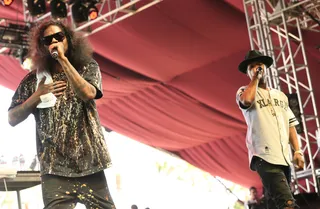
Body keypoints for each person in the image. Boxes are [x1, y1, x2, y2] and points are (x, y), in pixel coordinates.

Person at [8, 20, 116, 209]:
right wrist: (37, 96)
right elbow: (12, 118)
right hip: (54, 169)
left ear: (69, 40)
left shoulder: (87, 67)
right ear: (42, 47)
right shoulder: (34, 79)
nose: (54, 42)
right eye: (48, 40)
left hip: (89, 164)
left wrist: (63, 60)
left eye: (59, 37)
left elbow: (88, 93)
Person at [236, 50, 305, 209]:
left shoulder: (280, 96)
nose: (256, 68)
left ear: (266, 67)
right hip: (264, 156)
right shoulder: (243, 91)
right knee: (288, 204)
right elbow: (246, 100)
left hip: (283, 157)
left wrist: (297, 151)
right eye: (251, 67)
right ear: (248, 72)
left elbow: (290, 124)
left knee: (277, 203)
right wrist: (255, 78)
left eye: (259, 65)